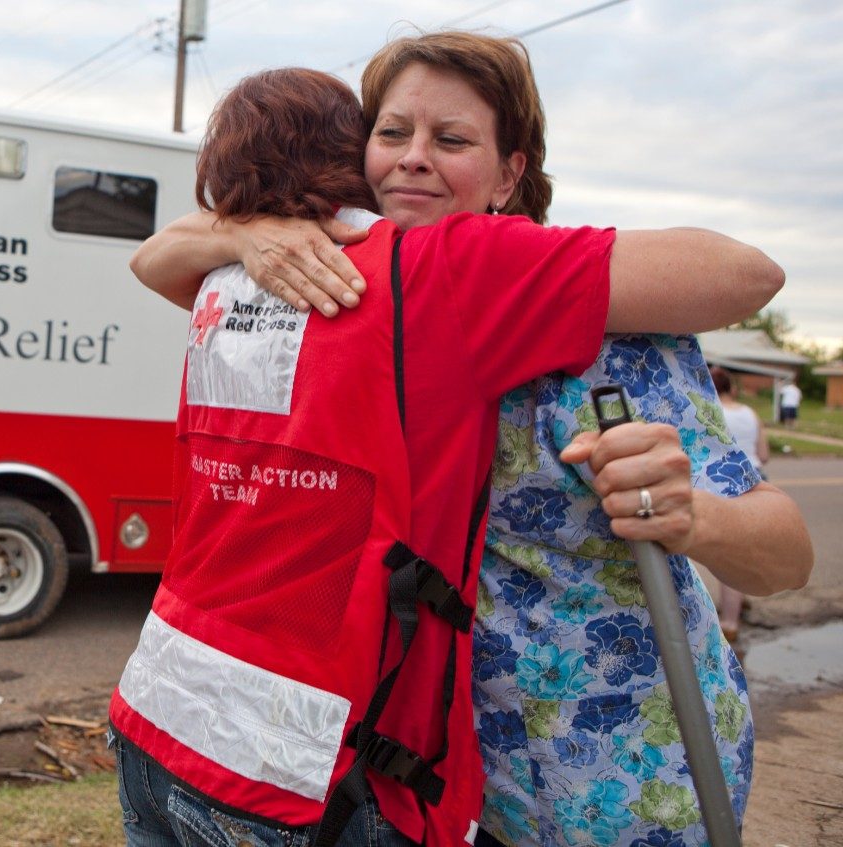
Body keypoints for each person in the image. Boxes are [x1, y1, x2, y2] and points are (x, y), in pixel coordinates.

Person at [127, 32, 812, 847]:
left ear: (510, 172)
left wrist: (691, 515)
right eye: (391, 134)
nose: (412, 159)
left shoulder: (614, 337)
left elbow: (786, 556)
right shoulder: (338, 287)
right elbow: (159, 262)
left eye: (450, 140)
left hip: (622, 780)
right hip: (442, 781)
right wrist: (237, 235)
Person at [706, 365, 771, 646]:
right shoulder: (750, 413)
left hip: (724, 481)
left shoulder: (707, 410)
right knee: (742, 550)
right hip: (754, 481)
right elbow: (764, 454)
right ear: (731, 387)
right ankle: (736, 611)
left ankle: (728, 622)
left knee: (725, 556)